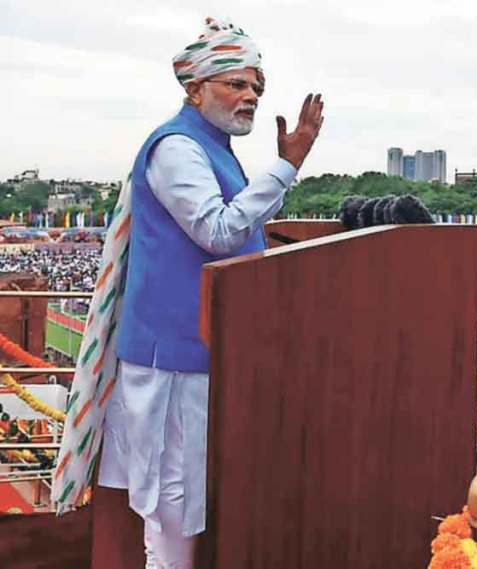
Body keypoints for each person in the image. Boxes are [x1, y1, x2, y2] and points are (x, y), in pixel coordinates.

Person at [96, 17, 324, 568]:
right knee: (173, 515)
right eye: (237, 84)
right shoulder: (178, 147)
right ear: (195, 88)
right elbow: (218, 232)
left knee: (188, 512)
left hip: (203, 357)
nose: (250, 96)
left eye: (257, 87)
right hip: (173, 361)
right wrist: (287, 165)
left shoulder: (215, 148)